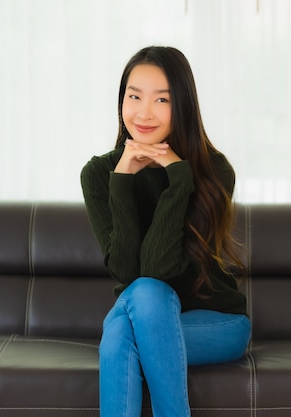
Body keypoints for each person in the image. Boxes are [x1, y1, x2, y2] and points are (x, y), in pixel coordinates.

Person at [80, 46, 250, 417]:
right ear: (121, 99)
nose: (143, 112)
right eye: (134, 96)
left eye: (162, 99)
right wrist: (122, 180)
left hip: (218, 321)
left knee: (125, 326)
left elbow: (157, 271)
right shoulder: (98, 175)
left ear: (183, 106)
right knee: (126, 325)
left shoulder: (213, 171)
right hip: (145, 313)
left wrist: (179, 181)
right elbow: (128, 274)